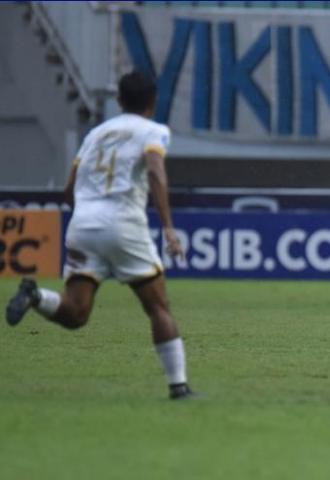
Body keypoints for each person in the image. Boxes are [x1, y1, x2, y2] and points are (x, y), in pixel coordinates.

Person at [5, 71, 195, 400]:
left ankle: (36, 296)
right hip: (123, 222)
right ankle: (179, 387)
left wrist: (89, 215)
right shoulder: (154, 131)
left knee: (76, 313)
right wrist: (167, 227)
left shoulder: (96, 134)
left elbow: (69, 187)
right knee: (158, 306)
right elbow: (154, 170)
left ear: (119, 100)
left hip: (83, 222)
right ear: (153, 100)